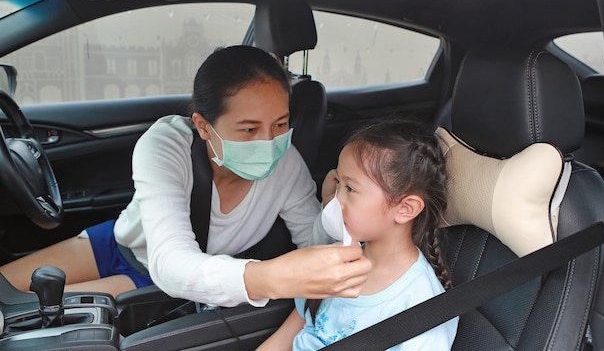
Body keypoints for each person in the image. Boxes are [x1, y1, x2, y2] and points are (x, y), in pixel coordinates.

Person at [0, 45, 371, 307]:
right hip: (118, 243)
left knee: (23, 314)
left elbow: (311, 242)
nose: (269, 142)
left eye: (281, 123)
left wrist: (331, 211)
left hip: (162, 281)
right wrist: (268, 278)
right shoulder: (167, 144)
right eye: (248, 130)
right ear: (203, 126)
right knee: (4, 290)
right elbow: (168, 253)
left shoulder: (286, 162)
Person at [257, 118, 459, 350]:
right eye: (338, 183)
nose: (335, 199)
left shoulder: (418, 307)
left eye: (350, 189)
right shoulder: (335, 261)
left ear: (405, 209)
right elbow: (291, 333)